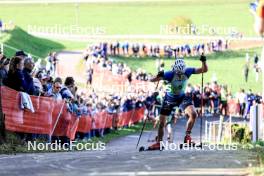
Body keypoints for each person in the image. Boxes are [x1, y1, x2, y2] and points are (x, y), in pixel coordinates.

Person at [148, 55, 208, 150]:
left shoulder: (188, 71)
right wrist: (158, 75)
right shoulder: (169, 74)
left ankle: (187, 137)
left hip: (182, 97)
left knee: (193, 114)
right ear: (175, 70)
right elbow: (151, 80)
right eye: (178, 73)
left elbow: (204, 70)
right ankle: (159, 143)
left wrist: (204, 62)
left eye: (182, 73)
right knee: (162, 122)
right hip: (170, 99)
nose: (180, 75)